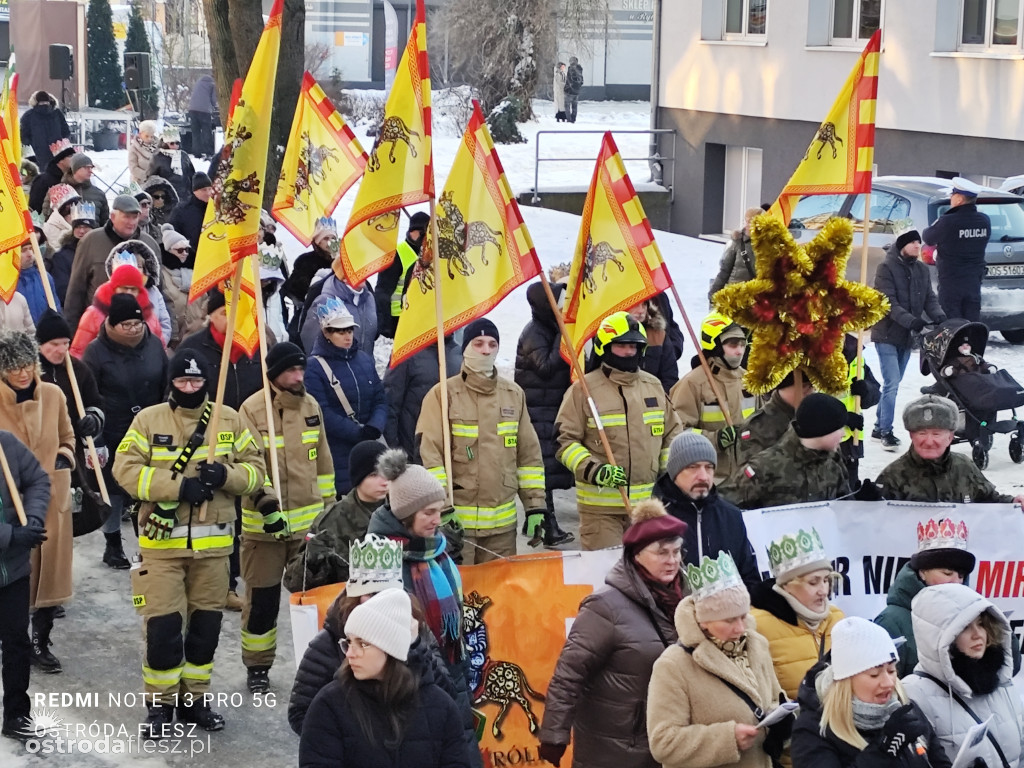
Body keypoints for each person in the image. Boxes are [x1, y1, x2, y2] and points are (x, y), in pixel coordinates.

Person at [113, 349, 265, 739]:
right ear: (172, 383)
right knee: (163, 630)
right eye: (182, 381)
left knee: (205, 630)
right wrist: (179, 486)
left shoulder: (229, 420)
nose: (190, 388)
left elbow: (257, 472)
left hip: (214, 551)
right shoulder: (148, 421)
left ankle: (194, 700)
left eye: (197, 382)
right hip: (162, 548)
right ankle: (160, 707)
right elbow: (124, 469)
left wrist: (226, 476)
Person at [289, 536, 481, 767]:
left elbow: (446, 703)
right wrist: (353, 732)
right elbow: (303, 713)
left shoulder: (418, 638)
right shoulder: (328, 655)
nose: (351, 653)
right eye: (351, 643)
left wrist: (413, 648)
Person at [539, 499, 689, 768]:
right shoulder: (604, 607)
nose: (672, 561)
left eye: (677, 552)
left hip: (673, 742)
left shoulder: (690, 600)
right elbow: (569, 674)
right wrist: (554, 734)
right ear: (636, 554)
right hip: (616, 750)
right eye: (662, 553)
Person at [237, 341, 336, 693]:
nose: (298, 376)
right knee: (262, 601)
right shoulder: (251, 410)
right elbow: (248, 465)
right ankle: (258, 667)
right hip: (265, 528)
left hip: (307, 528)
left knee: (310, 601)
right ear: (275, 373)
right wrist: (266, 506)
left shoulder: (310, 406)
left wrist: (329, 509)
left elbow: (323, 462)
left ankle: (316, 665)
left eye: (301, 369)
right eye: (291, 370)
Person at [417, 318, 547, 562]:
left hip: (502, 532)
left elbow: (528, 456)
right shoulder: (443, 395)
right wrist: (440, 507)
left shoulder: (513, 395)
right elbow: (430, 457)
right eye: (478, 343)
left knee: (499, 597)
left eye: (492, 344)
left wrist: (535, 505)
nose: (486, 350)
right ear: (465, 348)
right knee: (460, 596)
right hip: (456, 529)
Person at [298, 588, 471, 768]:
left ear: (391, 648)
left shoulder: (440, 707)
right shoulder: (329, 705)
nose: (350, 653)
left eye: (363, 644)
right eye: (348, 642)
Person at [647, 551, 789, 768]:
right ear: (704, 621)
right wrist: (726, 739)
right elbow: (663, 742)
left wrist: (783, 721)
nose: (740, 628)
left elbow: (774, 700)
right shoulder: (673, 665)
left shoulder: (757, 645)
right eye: (729, 620)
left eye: (743, 616)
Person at [556, 311, 682, 549]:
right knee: (605, 577)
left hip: (648, 509)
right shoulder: (583, 390)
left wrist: (668, 476)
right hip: (601, 511)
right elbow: (564, 442)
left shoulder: (653, 386)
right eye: (621, 346)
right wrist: (595, 471)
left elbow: (672, 435)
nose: (629, 352)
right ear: (604, 347)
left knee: (648, 577)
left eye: (635, 346)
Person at [178, 289, 265, 609]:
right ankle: (213, 582)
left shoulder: (255, 343)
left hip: (246, 439)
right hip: (207, 441)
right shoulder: (192, 348)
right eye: (227, 312)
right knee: (214, 515)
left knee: (243, 514)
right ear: (212, 315)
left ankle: (235, 578)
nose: (233, 318)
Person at [0, 330, 75, 675]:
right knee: (17, 577)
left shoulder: (54, 395)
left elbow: (67, 436)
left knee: (51, 579)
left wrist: (64, 457)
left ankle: (40, 641)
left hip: (53, 499)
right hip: (11, 504)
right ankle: (15, 638)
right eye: (13, 367)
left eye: (27, 364)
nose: (22, 373)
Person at [366, 449, 470, 700]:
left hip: (451, 668)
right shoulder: (380, 558)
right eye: (428, 512)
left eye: (439, 510)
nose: (437, 520)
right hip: (410, 679)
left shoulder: (436, 548)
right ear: (405, 515)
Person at [791, 617, 950, 768]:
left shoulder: (905, 708)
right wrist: (884, 750)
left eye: (891, 670)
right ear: (846, 680)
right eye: (874, 674)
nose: (888, 683)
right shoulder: (813, 729)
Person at [81, 293, 168, 567]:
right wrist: (95, 440)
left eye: (137, 323)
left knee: (147, 487)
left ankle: (148, 544)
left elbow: (166, 382)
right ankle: (113, 544)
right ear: (112, 324)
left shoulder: (154, 345)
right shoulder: (95, 351)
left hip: (151, 428)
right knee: (114, 489)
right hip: (114, 428)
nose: (133, 329)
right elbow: (89, 395)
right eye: (126, 324)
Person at [903, 584, 1024, 768]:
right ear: (939, 637)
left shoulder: (1000, 679)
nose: (978, 635)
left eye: (981, 624)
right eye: (965, 627)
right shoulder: (916, 693)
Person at [35, 310, 115, 567]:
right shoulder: (28, 373)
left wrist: (93, 419)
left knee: (64, 519)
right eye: (53, 345)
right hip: (33, 453)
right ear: (39, 345)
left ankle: (57, 578)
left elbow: (96, 402)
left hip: (69, 455)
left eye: (65, 344)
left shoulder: (78, 370)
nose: (61, 350)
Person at [653, 431, 760, 589]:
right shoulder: (656, 521)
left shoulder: (731, 516)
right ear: (675, 472)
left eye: (709, 467)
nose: (703, 476)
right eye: (693, 467)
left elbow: (750, 578)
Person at [871, 229, 946, 452]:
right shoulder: (886, 268)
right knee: (892, 383)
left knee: (893, 383)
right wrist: (912, 321)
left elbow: (929, 299)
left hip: (906, 337)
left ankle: (877, 425)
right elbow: (888, 302)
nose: (917, 245)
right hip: (886, 333)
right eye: (912, 242)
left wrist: (939, 316)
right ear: (902, 245)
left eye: (918, 242)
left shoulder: (921, 269)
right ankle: (886, 431)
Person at [875, 395, 1024, 507]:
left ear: (950, 437)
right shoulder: (892, 476)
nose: (928, 441)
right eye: (921, 433)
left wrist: (1012, 502)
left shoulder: (964, 466)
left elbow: (988, 499)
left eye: (936, 434)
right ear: (911, 435)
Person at [750, 527, 844, 701]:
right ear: (787, 585)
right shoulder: (757, 625)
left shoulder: (837, 618)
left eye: (826, 580)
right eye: (813, 582)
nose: (823, 591)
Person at [874, 518, 975, 679]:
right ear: (922, 572)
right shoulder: (891, 621)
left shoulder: (973, 616)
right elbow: (883, 685)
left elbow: (1008, 665)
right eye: (947, 573)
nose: (956, 582)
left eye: (961, 576)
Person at [515, 281, 575, 546]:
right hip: (538, 411)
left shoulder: (546, 328)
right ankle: (547, 528)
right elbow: (547, 366)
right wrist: (564, 333)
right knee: (544, 473)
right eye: (558, 302)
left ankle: (547, 528)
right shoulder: (534, 333)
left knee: (550, 470)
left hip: (550, 407)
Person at [304, 302, 387, 495]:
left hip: (371, 444)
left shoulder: (364, 359)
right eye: (340, 332)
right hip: (338, 450)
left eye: (349, 330)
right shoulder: (314, 367)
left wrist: (375, 426)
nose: (348, 336)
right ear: (326, 333)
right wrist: (357, 432)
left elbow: (380, 398)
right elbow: (321, 411)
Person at [0, 430, 50, 742]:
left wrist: (32, 518)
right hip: (11, 546)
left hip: (13, 570)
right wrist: (9, 535)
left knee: (17, 641)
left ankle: (17, 712)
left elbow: (38, 481)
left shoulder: (6, 444)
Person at [284, 440, 386, 592]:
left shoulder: (401, 510)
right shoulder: (332, 520)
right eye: (374, 475)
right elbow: (294, 581)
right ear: (358, 478)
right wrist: (313, 560)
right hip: (349, 605)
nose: (383, 481)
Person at [720, 393, 852, 510]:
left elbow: (843, 509)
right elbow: (724, 507)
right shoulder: (764, 467)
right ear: (822, 430)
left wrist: (863, 502)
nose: (842, 434)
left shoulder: (833, 463)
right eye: (839, 428)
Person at [670, 313, 756, 481]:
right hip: (710, 482)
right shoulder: (692, 384)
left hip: (746, 480)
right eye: (732, 344)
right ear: (715, 346)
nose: (739, 351)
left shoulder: (749, 380)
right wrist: (716, 439)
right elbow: (676, 432)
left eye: (742, 344)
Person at [64, 194, 161, 332]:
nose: (132, 222)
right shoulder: (91, 241)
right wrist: (71, 331)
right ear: (113, 216)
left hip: (140, 330)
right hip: (99, 329)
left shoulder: (149, 244)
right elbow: (76, 289)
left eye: (135, 217)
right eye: (127, 216)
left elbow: (160, 289)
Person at [922, 178, 990, 322]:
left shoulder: (948, 221)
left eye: (953, 195)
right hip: (973, 282)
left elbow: (928, 238)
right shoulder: (984, 220)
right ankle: (971, 344)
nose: (951, 198)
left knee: (952, 325)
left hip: (951, 283)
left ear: (959, 199)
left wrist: (941, 219)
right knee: (971, 323)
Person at [385, 335, 462, 458]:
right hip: (414, 448)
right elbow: (391, 403)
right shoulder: (408, 353)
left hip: (451, 452)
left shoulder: (460, 354)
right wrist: (396, 448)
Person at [71, 263, 163, 357]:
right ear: (114, 288)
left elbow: (160, 350)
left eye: (133, 289)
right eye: (124, 288)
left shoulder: (150, 317)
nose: (129, 293)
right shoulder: (94, 314)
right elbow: (78, 352)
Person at [301, 263, 379, 358]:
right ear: (344, 276)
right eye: (357, 270)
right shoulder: (326, 301)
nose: (363, 273)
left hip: (364, 367)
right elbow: (311, 341)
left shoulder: (369, 298)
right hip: (334, 368)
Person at [737, 370, 815, 463]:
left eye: (812, 386)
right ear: (783, 388)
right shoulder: (758, 426)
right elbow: (753, 471)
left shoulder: (814, 416)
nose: (811, 392)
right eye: (804, 386)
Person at [374, 211, 429, 339]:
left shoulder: (428, 255)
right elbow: (382, 291)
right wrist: (385, 327)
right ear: (412, 232)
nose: (426, 238)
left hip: (418, 319)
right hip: (396, 320)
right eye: (423, 233)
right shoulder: (396, 254)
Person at [837, 335, 880, 485]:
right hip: (820, 444)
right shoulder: (811, 355)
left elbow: (875, 394)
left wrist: (865, 390)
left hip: (850, 443)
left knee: (850, 492)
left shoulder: (856, 355)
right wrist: (839, 418)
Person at [160, 227, 205, 348]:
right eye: (180, 250)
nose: (185, 253)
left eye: (187, 249)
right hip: (173, 339)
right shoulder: (162, 274)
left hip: (197, 335)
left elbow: (205, 300)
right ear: (169, 250)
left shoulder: (197, 272)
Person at [625, 297, 678, 393]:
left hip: (654, 399)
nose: (641, 311)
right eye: (635, 305)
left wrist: (660, 400)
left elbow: (670, 377)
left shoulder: (658, 334)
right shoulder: (610, 335)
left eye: (644, 305)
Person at [284, 216, 339, 309]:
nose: (330, 242)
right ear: (318, 242)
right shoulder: (306, 261)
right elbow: (295, 289)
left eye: (333, 238)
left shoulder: (342, 262)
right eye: (325, 238)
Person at [50, 202, 97, 306]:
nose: (81, 231)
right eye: (78, 227)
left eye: (85, 227)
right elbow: (62, 290)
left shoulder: (100, 252)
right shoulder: (61, 257)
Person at [709, 208, 762, 301]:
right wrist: (714, 292)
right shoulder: (738, 242)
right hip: (735, 295)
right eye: (747, 221)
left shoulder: (767, 245)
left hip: (757, 298)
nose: (748, 225)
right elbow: (725, 270)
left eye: (752, 221)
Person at [52, 153, 109, 225]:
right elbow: (48, 219)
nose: (90, 171)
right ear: (75, 169)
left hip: (92, 235)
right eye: (86, 167)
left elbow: (105, 224)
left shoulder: (99, 194)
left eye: (91, 167)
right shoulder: (57, 191)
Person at [15, 234, 60, 323]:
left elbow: (55, 306)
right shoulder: (8, 283)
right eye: (23, 250)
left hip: (45, 331)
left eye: (31, 249)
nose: (30, 254)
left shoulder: (45, 277)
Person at [20, 91, 71, 168]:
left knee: (40, 177)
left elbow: (23, 136)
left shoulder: (28, 115)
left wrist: (32, 144)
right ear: (50, 100)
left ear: (35, 101)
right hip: (57, 154)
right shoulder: (57, 113)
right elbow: (66, 132)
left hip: (37, 155)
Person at [148, 125, 196, 203]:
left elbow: (191, 174)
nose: (175, 146)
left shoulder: (183, 155)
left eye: (177, 143)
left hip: (185, 196)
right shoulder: (158, 157)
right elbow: (152, 179)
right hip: (167, 197)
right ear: (165, 143)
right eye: (172, 143)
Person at [168, 173, 212, 254]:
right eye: (204, 190)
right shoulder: (181, 211)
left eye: (210, 189)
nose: (208, 193)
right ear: (195, 191)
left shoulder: (216, 207)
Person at [28, 138, 75, 214]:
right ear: (60, 160)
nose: (74, 159)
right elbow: (35, 207)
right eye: (70, 156)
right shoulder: (42, 181)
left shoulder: (74, 179)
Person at [188, 74, 219, 158]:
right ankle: (209, 152)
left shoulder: (198, 82)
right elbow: (213, 100)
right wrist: (215, 106)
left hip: (192, 109)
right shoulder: (212, 84)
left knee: (195, 133)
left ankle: (196, 153)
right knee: (206, 132)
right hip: (204, 111)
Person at [42, 182, 81, 248]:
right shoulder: (47, 228)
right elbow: (54, 252)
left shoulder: (81, 224)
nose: (76, 206)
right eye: (72, 203)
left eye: (77, 203)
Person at [129, 120, 160, 185]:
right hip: (139, 182)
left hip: (157, 182)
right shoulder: (134, 148)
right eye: (147, 136)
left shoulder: (158, 147)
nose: (149, 139)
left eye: (151, 136)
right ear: (140, 134)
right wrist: (147, 176)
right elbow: (133, 168)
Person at [564, 56, 583, 123]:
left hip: (569, 91)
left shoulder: (570, 69)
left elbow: (569, 80)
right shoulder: (580, 69)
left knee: (567, 105)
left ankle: (569, 120)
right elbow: (581, 81)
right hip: (577, 91)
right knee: (575, 106)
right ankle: (573, 118)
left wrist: (566, 88)